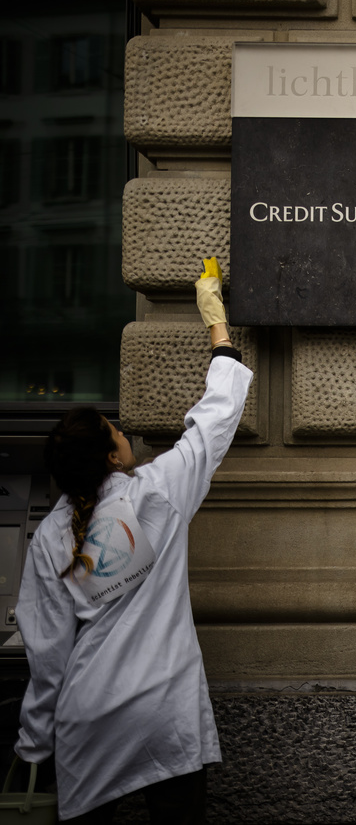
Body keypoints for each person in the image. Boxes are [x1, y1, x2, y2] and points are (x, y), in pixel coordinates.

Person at [15, 260, 250, 823]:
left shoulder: (50, 537)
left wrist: (31, 745)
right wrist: (216, 325)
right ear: (110, 455)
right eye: (117, 431)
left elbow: (48, 655)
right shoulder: (160, 492)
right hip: (165, 709)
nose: (125, 433)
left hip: (89, 715)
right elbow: (216, 420)